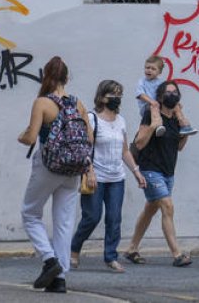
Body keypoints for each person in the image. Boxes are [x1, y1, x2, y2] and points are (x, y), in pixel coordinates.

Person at [18, 56, 93, 294]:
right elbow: (90, 138)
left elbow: (30, 138)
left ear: (46, 76)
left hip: (48, 166)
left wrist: (22, 136)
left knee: (30, 213)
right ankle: (59, 279)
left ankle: (49, 260)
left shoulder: (42, 102)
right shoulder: (78, 104)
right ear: (67, 78)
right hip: (73, 170)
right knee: (64, 222)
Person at [69, 80, 146, 273]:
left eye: (119, 94)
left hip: (116, 178)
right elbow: (84, 148)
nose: (117, 98)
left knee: (114, 218)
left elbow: (125, 150)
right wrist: (90, 171)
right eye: (113, 94)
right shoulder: (92, 118)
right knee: (92, 217)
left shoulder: (121, 121)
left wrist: (136, 172)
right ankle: (74, 249)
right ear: (102, 97)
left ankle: (110, 257)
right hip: (96, 177)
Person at [123, 80, 193, 267]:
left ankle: (131, 248)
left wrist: (185, 130)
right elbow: (139, 143)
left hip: (168, 171)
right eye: (168, 92)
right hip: (150, 168)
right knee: (167, 206)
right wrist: (154, 125)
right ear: (160, 97)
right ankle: (177, 254)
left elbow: (178, 147)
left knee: (150, 209)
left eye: (175, 92)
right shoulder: (150, 114)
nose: (172, 95)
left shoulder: (176, 119)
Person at [136, 55, 197, 136]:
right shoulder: (142, 82)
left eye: (153, 69)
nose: (149, 70)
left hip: (159, 104)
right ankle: (158, 126)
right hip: (147, 107)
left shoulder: (161, 82)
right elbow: (140, 95)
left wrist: (176, 103)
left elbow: (166, 95)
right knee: (153, 107)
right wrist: (151, 101)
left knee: (176, 106)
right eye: (147, 67)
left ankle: (183, 124)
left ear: (159, 72)